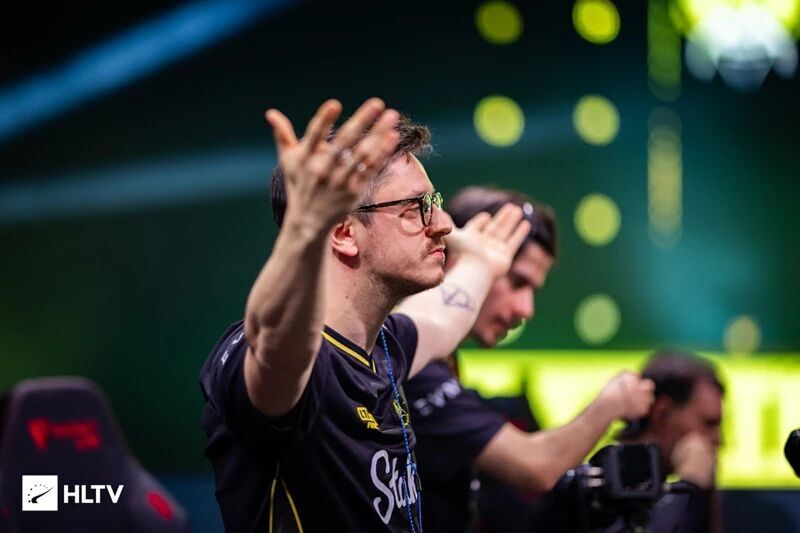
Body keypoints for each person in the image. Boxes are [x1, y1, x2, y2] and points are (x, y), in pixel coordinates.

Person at [198, 99, 531, 532]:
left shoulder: (385, 346)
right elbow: (275, 343)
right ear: (342, 233)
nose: (443, 223)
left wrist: (482, 262)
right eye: (415, 207)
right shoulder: (288, 361)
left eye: (433, 201)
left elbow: (444, 317)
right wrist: (304, 230)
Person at [402, 186, 656, 533]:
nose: (526, 309)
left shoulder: (441, 358)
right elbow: (536, 466)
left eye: (533, 290)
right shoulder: (415, 363)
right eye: (517, 281)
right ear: (457, 257)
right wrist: (613, 403)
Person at [614, 350, 724, 533]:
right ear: (662, 414)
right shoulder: (602, 494)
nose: (719, 439)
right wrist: (690, 485)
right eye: (708, 423)